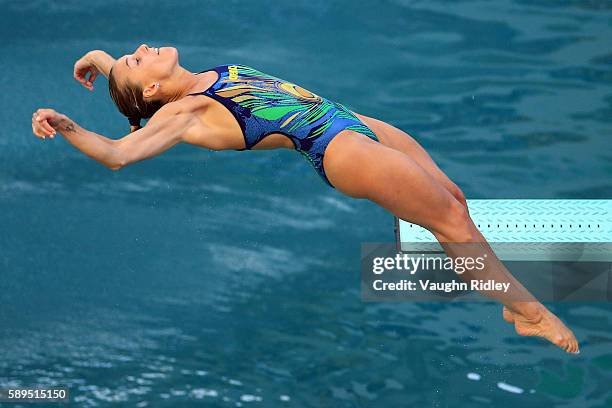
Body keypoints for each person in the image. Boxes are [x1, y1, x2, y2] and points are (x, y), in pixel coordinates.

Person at [31, 44, 579, 353]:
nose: (141, 48)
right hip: (336, 145)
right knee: (453, 223)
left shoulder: (184, 83)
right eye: (134, 59)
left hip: (351, 120)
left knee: (453, 199)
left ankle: (474, 267)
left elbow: (133, 91)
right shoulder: (183, 113)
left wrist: (104, 60)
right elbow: (118, 153)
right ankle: (526, 310)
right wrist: (66, 123)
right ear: (152, 90)